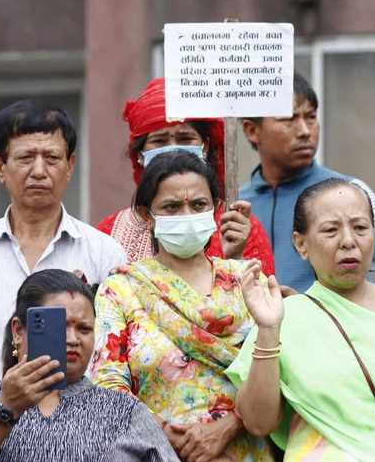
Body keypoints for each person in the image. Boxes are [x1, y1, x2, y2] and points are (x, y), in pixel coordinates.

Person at [227, 179, 375, 462]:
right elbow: (258, 422)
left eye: (361, 228)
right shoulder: (283, 317)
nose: (349, 241)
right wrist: (267, 331)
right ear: (301, 244)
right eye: (331, 230)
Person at [0, 101, 127, 409]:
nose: (39, 171)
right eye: (26, 157)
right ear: (0, 168)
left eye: (52, 158)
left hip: (80, 435)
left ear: (70, 166)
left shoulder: (104, 253)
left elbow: (120, 355)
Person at [92, 151, 274, 462]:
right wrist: (163, 435)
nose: (187, 215)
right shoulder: (122, 288)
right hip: (155, 451)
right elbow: (107, 387)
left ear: (215, 210)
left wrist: (226, 427)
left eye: (198, 205)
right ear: (147, 215)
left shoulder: (248, 281)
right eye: (172, 207)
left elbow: (275, 375)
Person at [0, 269, 179, 462]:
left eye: (84, 329)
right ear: (19, 331)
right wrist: (6, 409)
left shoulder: (124, 411)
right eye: (60, 326)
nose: (73, 339)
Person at [97, 77, 275, 274]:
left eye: (185, 139)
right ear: (139, 154)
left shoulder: (236, 227)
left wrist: (235, 260)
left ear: (205, 147)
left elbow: (264, 299)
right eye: (160, 140)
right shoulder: (108, 234)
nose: (173, 151)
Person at [240, 73, 375, 292]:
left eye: (310, 117)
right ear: (252, 130)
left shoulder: (352, 192)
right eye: (289, 119)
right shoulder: (236, 205)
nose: (304, 131)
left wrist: (306, 309)